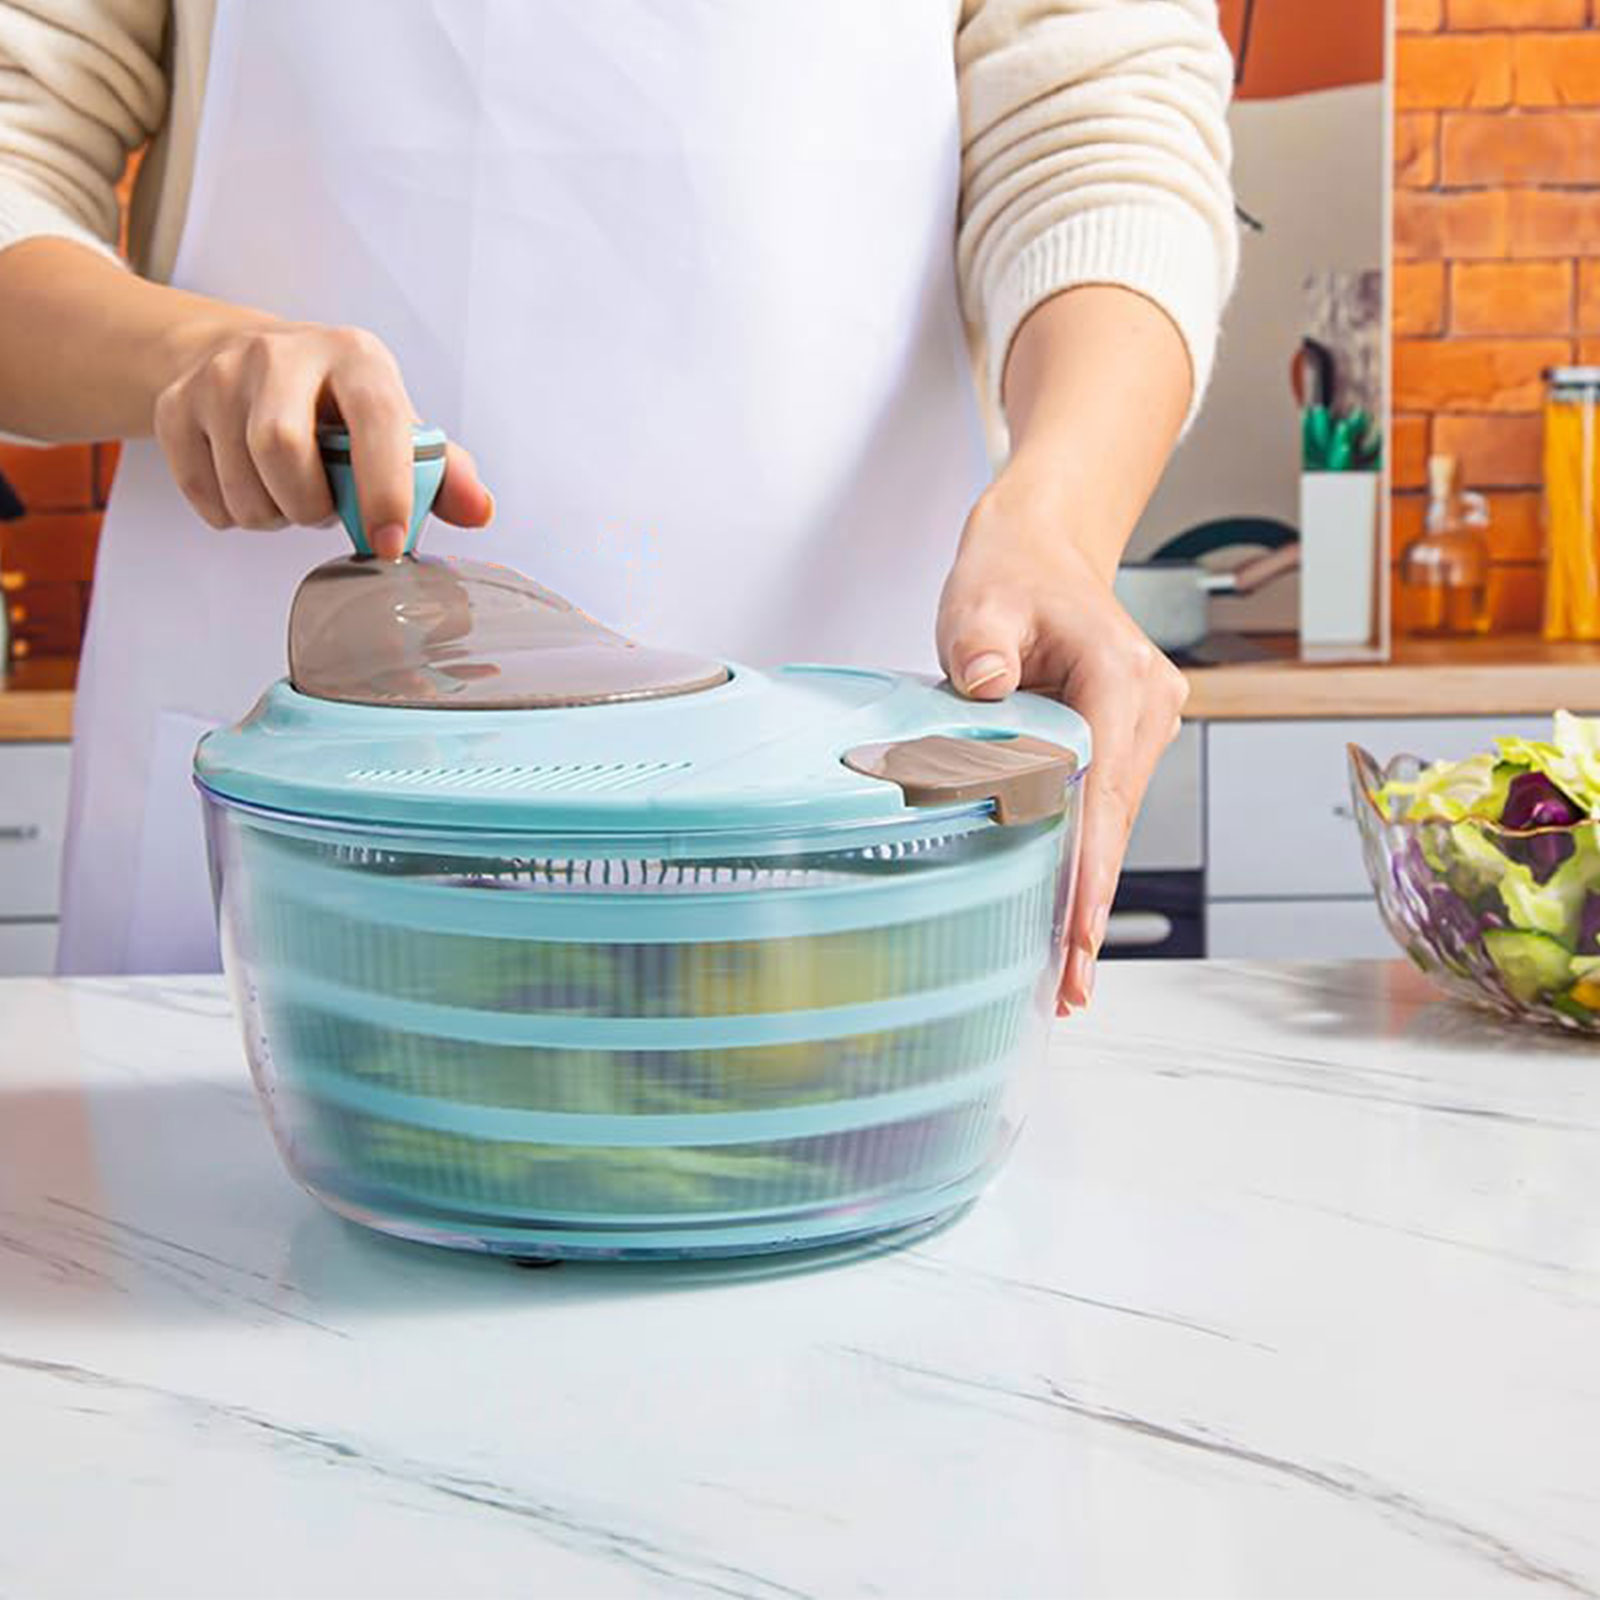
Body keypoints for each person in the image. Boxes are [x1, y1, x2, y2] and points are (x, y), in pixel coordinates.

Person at [0, 1, 1236, 1008]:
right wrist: (198, 358)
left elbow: (1105, 130)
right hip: (295, 813)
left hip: (848, 773)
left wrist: (1058, 518)